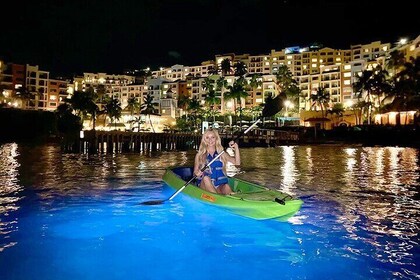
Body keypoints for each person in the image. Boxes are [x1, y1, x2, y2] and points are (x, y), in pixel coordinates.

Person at [194, 128, 240, 195]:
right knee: (206, 178)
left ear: (216, 139)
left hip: (219, 185)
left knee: (226, 186)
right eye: (207, 138)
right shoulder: (199, 155)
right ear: (204, 140)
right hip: (204, 186)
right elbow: (195, 172)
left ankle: (233, 199)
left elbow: (237, 163)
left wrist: (236, 148)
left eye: (212, 137)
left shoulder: (221, 153)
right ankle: (217, 198)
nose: (210, 140)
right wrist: (197, 173)